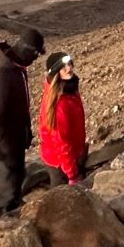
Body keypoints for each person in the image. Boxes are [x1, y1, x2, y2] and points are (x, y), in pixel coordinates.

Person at [0, 29, 44, 222]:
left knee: (15, 183)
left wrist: (25, 133)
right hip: (2, 149)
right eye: (37, 54)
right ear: (29, 51)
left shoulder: (16, 69)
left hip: (13, 143)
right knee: (5, 190)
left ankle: (10, 215)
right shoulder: (3, 78)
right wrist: (9, 152)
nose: (37, 59)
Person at [38, 52, 88, 184]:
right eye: (63, 66)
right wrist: (72, 175)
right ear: (55, 73)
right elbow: (61, 143)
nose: (69, 68)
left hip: (72, 155)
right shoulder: (59, 103)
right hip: (61, 165)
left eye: (70, 64)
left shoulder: (68, 88)